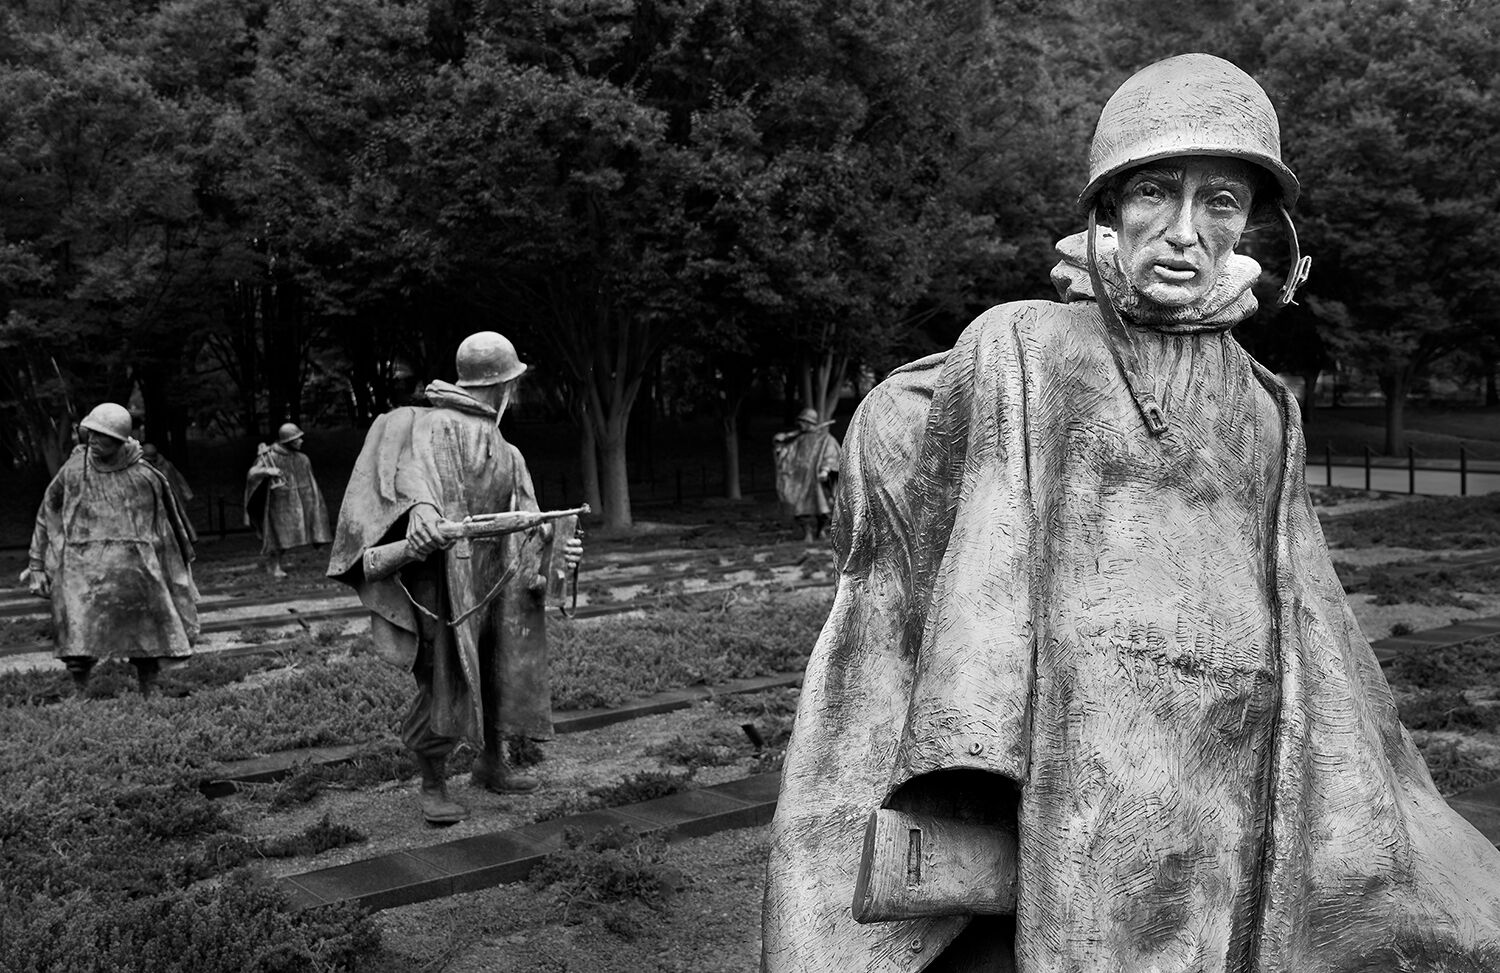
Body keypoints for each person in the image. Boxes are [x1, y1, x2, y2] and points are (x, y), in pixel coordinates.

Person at [762, 53, 1500, 972]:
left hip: (1228, 759)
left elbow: (1307, 611)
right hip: (1076, 759)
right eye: (1155, 192)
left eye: (1221, 202)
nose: (1186, 231)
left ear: (1258, 228)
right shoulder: (1027, 344)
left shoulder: (1267, 400)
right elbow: (978, 570)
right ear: (1108, 209)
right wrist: (967, 774)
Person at [328, 332, 584, 826]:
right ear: (503, 385)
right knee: (444, 680)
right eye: (515, 383)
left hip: (496, 581)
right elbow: (411, 480)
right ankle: (433, 782)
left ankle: (492, 762)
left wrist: (559, 549)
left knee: (497, 670)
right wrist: (424, 514)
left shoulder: (508, 451)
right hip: (443, 582)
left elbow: (530, 521)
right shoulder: (428, 426)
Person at [23, 403, 198, 697]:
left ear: (119, 439)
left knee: (147, 633)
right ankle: (81, 692)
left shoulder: (146, 476)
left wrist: (178, 576)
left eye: (102, 435)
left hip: (135, 570)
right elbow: (48, 513)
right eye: (91, 433)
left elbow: (165, 532)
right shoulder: (74, 469)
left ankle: (149, 689)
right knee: (77, 636)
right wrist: (37, 563)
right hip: (81, 568)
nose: (93, 440)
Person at [244, 422, 332, 578]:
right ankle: (273, 565)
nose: (301, 441)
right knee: (276, 536)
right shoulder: (270, 456)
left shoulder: (303, 458)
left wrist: (314, 505)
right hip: (276, 504)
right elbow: (252, 474)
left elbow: (310, 483)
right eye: (297, 439)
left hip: (296, 503)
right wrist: (266, 470)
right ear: (288, 440)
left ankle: (275, 563)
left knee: (287, 537)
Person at [772, 407, 841, 542]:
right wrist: (780, 441)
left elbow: (831, 454)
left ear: (809, 423)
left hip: (817, 480)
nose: (800, 425)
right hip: (800, 481)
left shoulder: (825, 439)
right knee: (799, 509)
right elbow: (786, 454)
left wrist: (825, 469)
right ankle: (807, 533)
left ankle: (822, 531)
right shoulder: (798, 440)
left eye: (803, 422)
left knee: (824, 507)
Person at [142, 443, 197, 542]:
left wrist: (186, 494)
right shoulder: (143, 469)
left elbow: (178, 479)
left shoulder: (166, 466)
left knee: (174, 527)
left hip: (169, 502)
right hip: (155, 505)